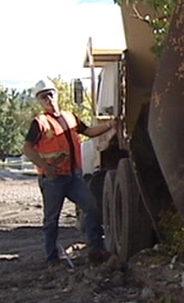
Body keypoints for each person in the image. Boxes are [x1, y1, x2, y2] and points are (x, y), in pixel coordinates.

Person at [22, 78, 116, 266]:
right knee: (51, 219)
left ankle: (96, 250)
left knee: (91, 208)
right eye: (43, 97)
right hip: (52, 179)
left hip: (73, 177)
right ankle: (51, 258)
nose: (48, 99)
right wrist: (46, 167)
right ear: (39, 101)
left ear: (56, 94)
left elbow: (88, 131)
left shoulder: (70, 117)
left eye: (50, 94)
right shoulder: (40, 122)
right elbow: (27, 149)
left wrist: (110, 125)